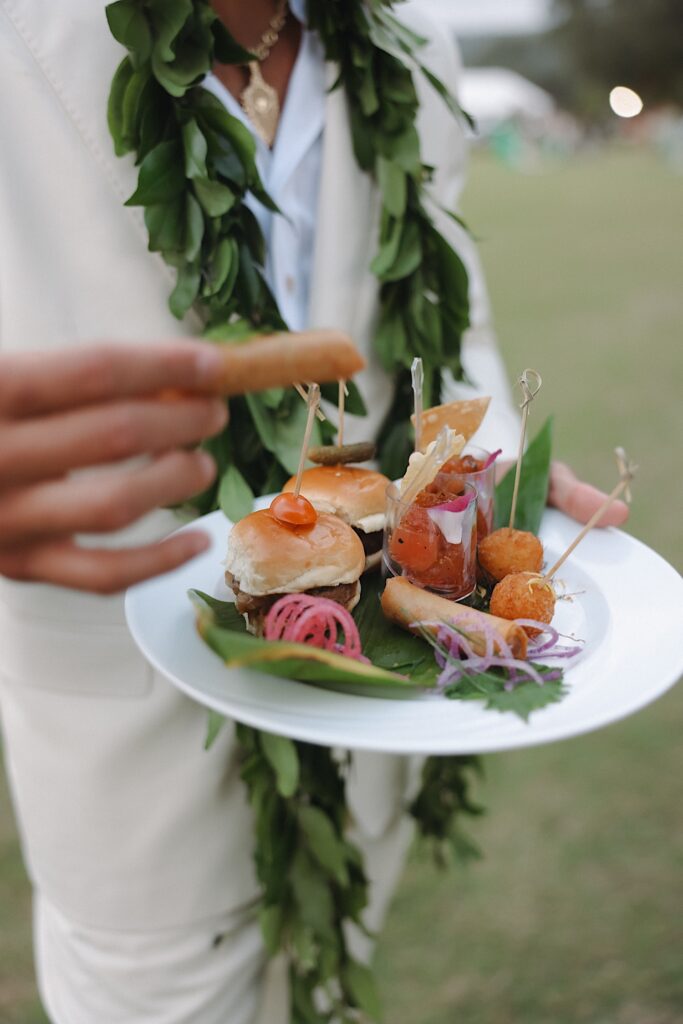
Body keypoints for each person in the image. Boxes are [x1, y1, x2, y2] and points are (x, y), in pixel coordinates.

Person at [0, 2, 628, 1022]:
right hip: (119, 745)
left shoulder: (416, 47)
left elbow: (449, 328)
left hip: (366, 709)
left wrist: (484, 457)